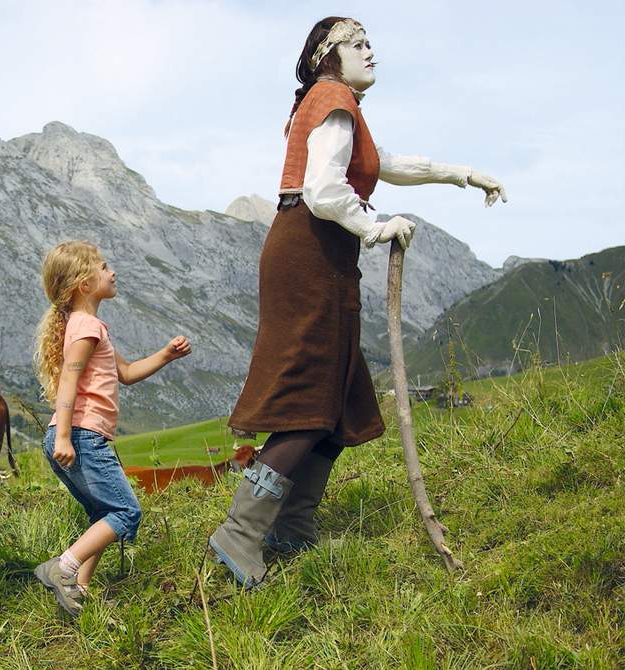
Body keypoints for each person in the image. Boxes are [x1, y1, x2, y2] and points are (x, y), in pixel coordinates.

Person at [210, 16, 507, 589]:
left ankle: (290, 527)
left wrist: (465, 175)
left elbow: (387, 164)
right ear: (329, 54)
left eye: (371, 41)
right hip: (309, 253)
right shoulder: (333, 97)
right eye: (358, 43)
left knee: (336, 395)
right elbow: (323, 190)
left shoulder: (340, 107)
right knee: (306, 396)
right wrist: (376, 225)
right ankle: (240, 532)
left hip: (322, 255)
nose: (372, 51)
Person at [32, 241, 191, 616]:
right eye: (104, 267)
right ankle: (64, 568)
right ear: (83, 284)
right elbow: (68, 384)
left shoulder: (89, 325)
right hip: (81, 436)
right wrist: (67, 436)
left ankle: (79, 593)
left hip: (77, 435)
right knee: (126, 513)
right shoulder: (86, 327)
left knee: (103, 516)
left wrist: (166, 355)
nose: (112, 272)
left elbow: (127, 373)